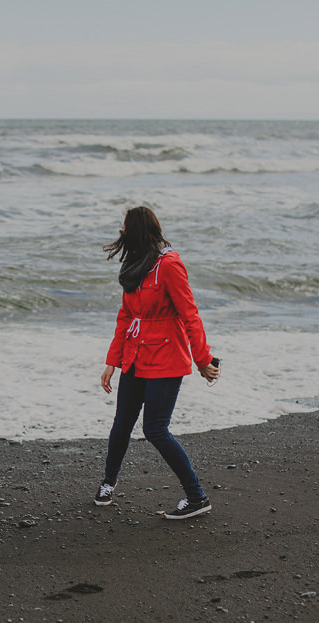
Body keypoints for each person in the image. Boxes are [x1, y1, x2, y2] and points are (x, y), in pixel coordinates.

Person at [96, 206, 219, 519]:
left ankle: (197, 497)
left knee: (154, 428)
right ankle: (108, 484)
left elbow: (189, 314)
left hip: (166, 357)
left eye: (125, 228)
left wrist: (202, 359)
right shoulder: (136, 263)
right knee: (122, 421)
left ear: (137, 231)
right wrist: (113, 360)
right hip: (136, 357)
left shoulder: (169, 265)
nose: (121, 233)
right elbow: (126, 315)